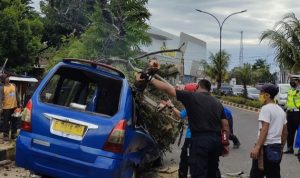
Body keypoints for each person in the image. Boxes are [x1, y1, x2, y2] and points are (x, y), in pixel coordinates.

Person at [136, 68, 230, 178]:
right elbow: (225, 125)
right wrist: (224, 143)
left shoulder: (192, 97)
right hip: (215, 142)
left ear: (198, 87)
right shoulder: (217, 103)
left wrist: (150, 78)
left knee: (198, 172)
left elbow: (168, 89)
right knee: (212, 172)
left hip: (200, 141)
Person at [250, 84, 288, 178]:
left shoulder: (265, 109)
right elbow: (285, 132)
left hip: (265, 148)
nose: (260, 95)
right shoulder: (280, 110)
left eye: (261, 93)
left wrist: (257, 147)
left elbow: (264, 129)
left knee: (256, 174)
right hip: (276, 148)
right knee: (274, 174)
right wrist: (281, 148)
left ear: (267, 95)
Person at [284, 76, 300, 154]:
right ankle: (290, 148)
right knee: (289, 131)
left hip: (298, 113)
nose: (292, 82)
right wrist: (285, 108)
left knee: (299, 131)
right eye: (291, 80)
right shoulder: (290, 90)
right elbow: (288, 100)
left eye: (294, 80)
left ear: (298, 81)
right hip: (290, 113)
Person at [1, 74, 20, 141]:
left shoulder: (13, 85)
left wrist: (19, 104)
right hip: (6, 108)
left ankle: (13, 135)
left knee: (14, 121)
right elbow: (0, 98)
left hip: (14, 107)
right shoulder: (2, 88)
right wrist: (0, 107)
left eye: (8, 77)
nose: (8, 78)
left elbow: (17, 95)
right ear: (3, 80)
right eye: (6, 78)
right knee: (6, 122)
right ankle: (5, 136)